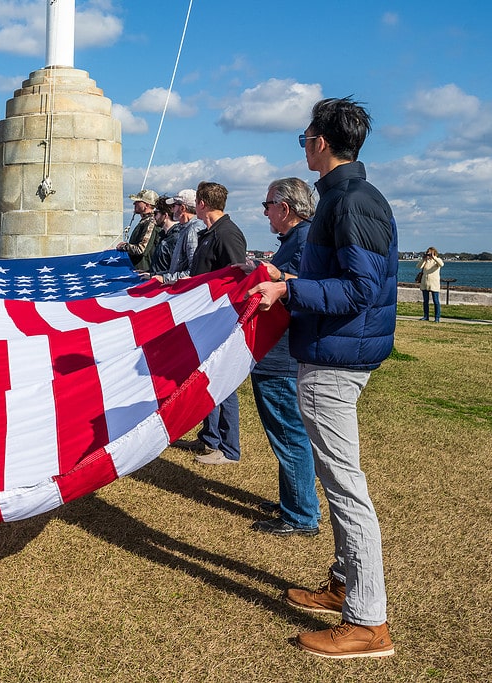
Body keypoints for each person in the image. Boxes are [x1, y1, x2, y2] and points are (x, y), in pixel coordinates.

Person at [248, 97, 397, 659]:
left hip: (335, 364)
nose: (303, 144)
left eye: (305, 136)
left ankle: (368, 621)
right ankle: (344, 585)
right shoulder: (345, 198)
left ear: (322, 143)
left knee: (345, 488)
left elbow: (359, 290)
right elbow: (343, 277)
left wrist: (288, 290)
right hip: (330, 353)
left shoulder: (353, 203)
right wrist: (286, 276)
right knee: (340, 486)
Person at [249, 178, 320, 537]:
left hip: (281, 355)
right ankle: (294, 501)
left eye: (268, 206)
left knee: (289, 434)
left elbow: (307, 286)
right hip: (277, 352)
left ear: (286, 209)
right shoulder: (297, 239)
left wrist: (275, 277)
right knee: (286, 433)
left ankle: (301, 515)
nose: (265, 212)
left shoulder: (304, 240)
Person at [174, 182, 247, 465]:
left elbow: (238, 276)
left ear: (202, 203)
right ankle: (210, 436)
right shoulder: (210, 233)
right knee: (207, 378)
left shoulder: (227, 234)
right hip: (206, 317)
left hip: (220, 318)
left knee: (222, 381)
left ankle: (228, 448)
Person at [149, 189, 202, 284]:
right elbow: (176, 269)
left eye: (174, 206)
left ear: (183, 208)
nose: (172, 210)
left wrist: (165, 279)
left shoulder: (192, 231)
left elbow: (194, 270)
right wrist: (154, 275)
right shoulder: (185, 229)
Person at [116, 189, 159, 272]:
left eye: (138, 202)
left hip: (143, 271)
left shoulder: (150, 222)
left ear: (147, 205)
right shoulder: (145, 221)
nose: (134, 203)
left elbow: (141, 249)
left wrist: (123, 246)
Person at [147, 195, 178, 276]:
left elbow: (176, 269)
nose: (153, 217)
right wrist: (147, 272)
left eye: (156, 213)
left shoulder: (175, 238)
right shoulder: (164, 236)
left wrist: (153, 275)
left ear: (165, 215)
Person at [417, 247, 443, 322]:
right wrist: (423, 259)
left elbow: (441, 264)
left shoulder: (437, 261)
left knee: (436, 301)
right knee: (425, 301)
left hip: (434, 284)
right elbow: (418, 266)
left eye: (430, 253)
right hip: (425, 283)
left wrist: (434, 257)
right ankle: (426, 316)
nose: (429, 254)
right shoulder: (426, 261)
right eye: (428, 252)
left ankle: (437, 317)